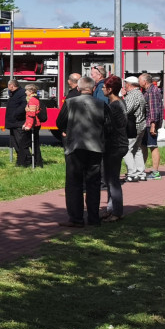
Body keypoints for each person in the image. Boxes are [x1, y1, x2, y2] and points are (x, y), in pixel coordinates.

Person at [55, 75, 108, 228]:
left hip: (75, 147)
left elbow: (59, 122)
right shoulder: (101, 104)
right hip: (95, 147)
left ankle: (76, 218)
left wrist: (67, 130)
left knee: (74, 183)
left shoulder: (70, 102)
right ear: (93, 89)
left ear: (78, 88)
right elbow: (109, 125)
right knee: (93, 183)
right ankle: (93, 218)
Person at [100, 76, 129, 221]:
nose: (102, 88)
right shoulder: (119, 102)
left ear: (110, 89)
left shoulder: (114, 106)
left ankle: (117, 212)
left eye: (104, 86)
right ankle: (111, 209)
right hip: (118, 144)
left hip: (115, 145)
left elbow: (108, 127)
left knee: (113, 180)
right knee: (110, 178)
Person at [121, 76, 146, 181]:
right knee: (137, 149)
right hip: (141, 125)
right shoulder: (139, 93)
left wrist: (121, 99)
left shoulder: (132, 95)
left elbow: (126, 110)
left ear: (129, 84)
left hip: (133, 127)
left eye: (125, 83)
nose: (124, 85)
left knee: (126, 149)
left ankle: (132, 173)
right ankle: (141, 172)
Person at [139, 72, 163, 179]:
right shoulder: (147, 91)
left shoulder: (152, 91)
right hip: (146, 123)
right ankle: (141, 170)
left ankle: (155, 172)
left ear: (144, 81)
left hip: (150, 124)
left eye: (139, 80)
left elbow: (154, 110)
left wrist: (153, 125)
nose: (138, 82)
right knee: (143, 146)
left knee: (153, 146)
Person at [4, 79, 29, 166]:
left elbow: (24, 105)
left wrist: (16, 114)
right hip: (13, 123)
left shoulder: (21, 93)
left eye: (8, 86)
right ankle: (20, 161)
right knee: (15, 143)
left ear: (12, 86)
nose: (7, 88)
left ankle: (25, 161)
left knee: (20, 143)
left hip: (18, 123)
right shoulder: (14, 94)